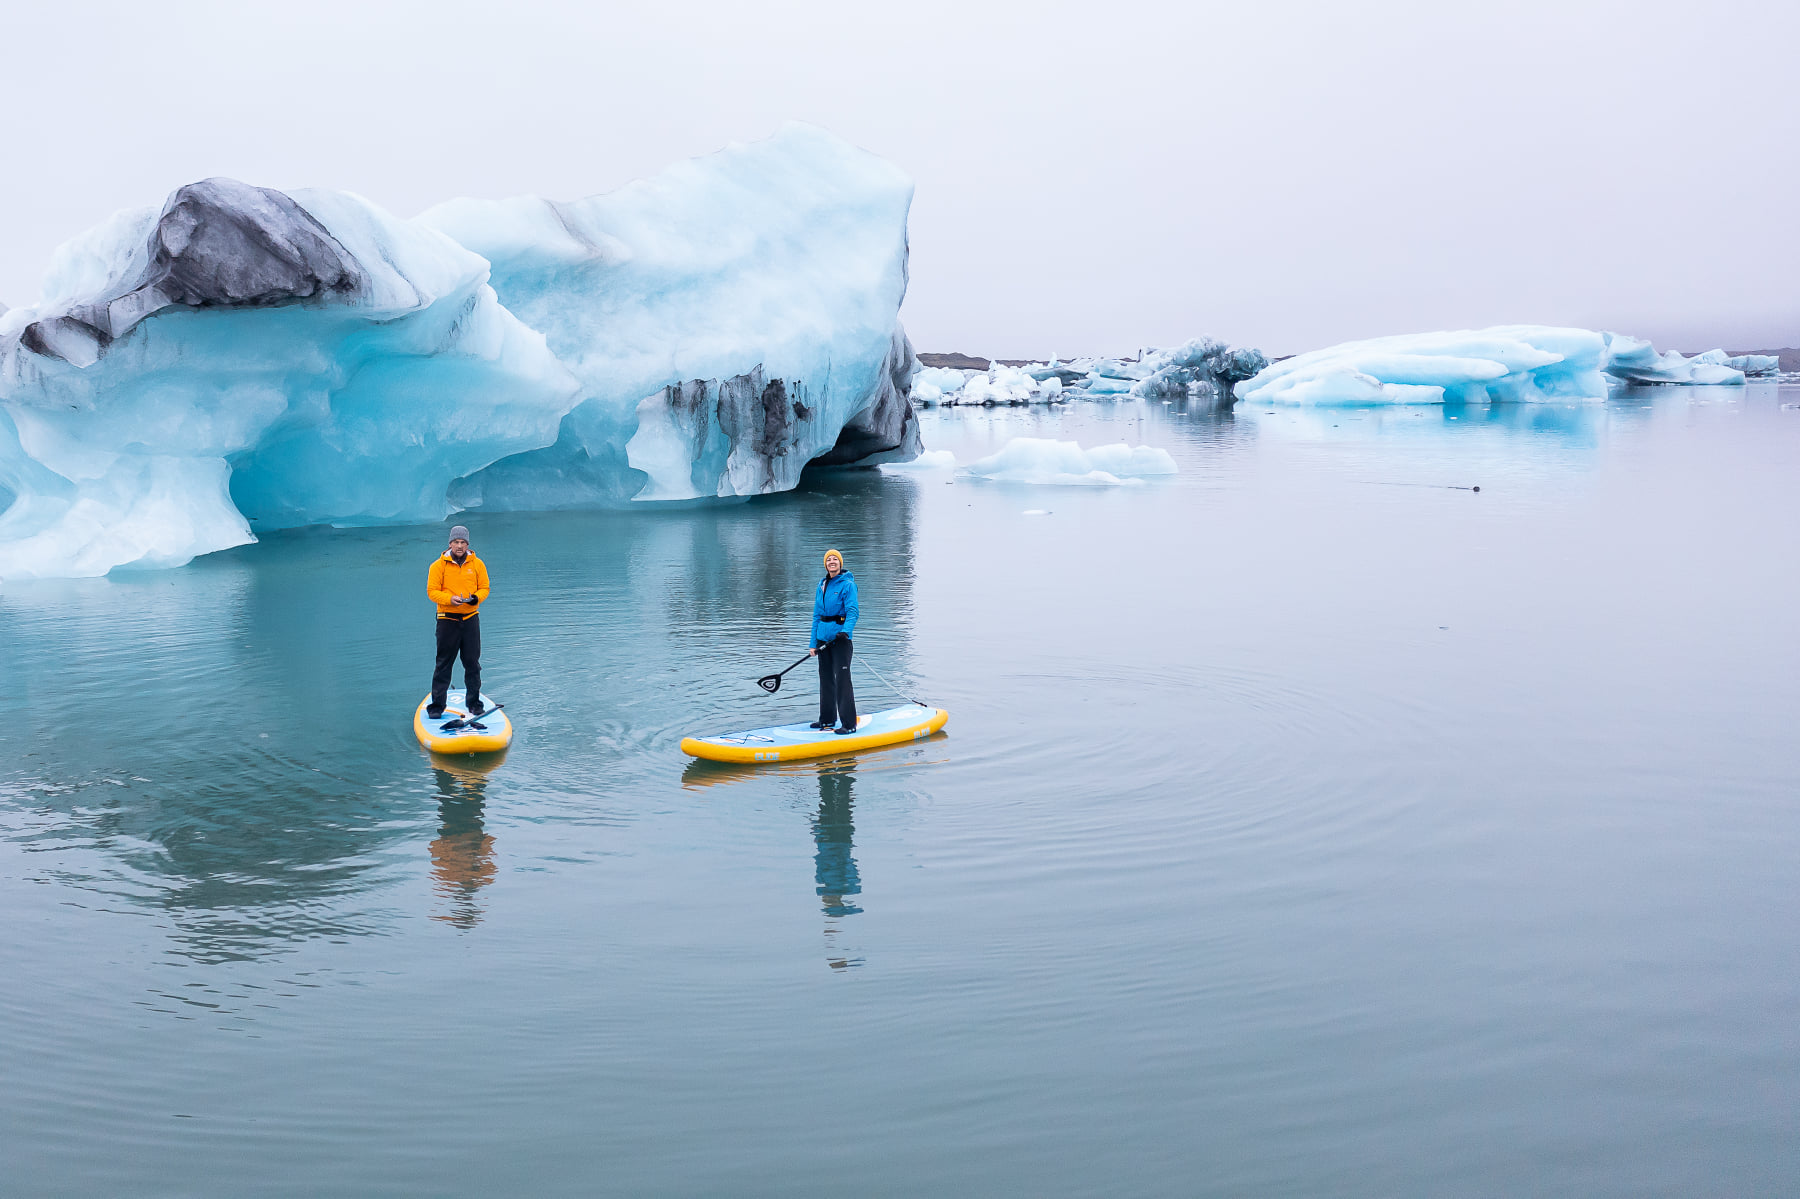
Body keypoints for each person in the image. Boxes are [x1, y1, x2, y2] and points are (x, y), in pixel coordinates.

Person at [426, 525, 490, 719]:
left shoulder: (477, 564)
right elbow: (432, 592)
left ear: (468, 544)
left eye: (463, 542)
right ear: (450, 543)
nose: (459, 546)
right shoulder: (438, 566)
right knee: (443, 664)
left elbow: (485, 588)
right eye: (456, 542)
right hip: (447, 621)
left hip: (470, 620)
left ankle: (474, 703)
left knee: (472, 664)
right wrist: (449, 600)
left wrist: (476, 598)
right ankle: (437, 706)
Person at [808, 548, 859, 734]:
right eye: (828, 559)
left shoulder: (848, 585)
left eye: (835, 559)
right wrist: (813, 644)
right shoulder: (821, 585)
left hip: (841, 641)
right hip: (823, 640)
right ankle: (827, 720)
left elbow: (853, 611)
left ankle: (849, 724)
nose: (832, 561)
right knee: (826, 679)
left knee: (842, 681)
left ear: (840, 563)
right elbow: (816, 615)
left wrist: (845, 631)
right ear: (825, 564)